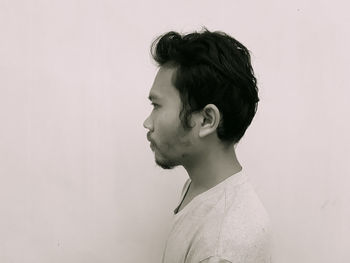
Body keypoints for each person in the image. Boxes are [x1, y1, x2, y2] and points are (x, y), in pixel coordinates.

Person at [143, 28, 271, 263]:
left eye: (157, 106)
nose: (147, 123)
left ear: (206, 120)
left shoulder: (222, 247)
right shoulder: (202, 186)